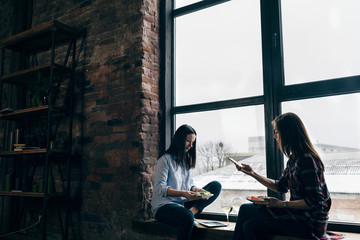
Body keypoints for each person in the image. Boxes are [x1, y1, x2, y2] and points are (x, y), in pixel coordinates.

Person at [232, 112, 344, 240]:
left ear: (287, 134)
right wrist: (253, 173)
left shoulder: (307, 160)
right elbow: (281, 187)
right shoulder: (293, 160)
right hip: (297, 218)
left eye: (276, 132)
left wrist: (281, 204)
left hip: (309, 225)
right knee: (249, 226)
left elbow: (314, 201)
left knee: (245, 209)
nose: (274, 136)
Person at [152, 124, 222, 240]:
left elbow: (189, 184)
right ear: (179, 140)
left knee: (216, 186)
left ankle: (191, 212)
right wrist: (184, 193)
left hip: (182, 204)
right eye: (188, 141)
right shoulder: (164, 160)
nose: (191, 145)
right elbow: (160, 188)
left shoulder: (186, 160)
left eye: (193, 142)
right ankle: (189, 214)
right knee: (187, 217)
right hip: (164, 207)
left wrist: (196, 190)